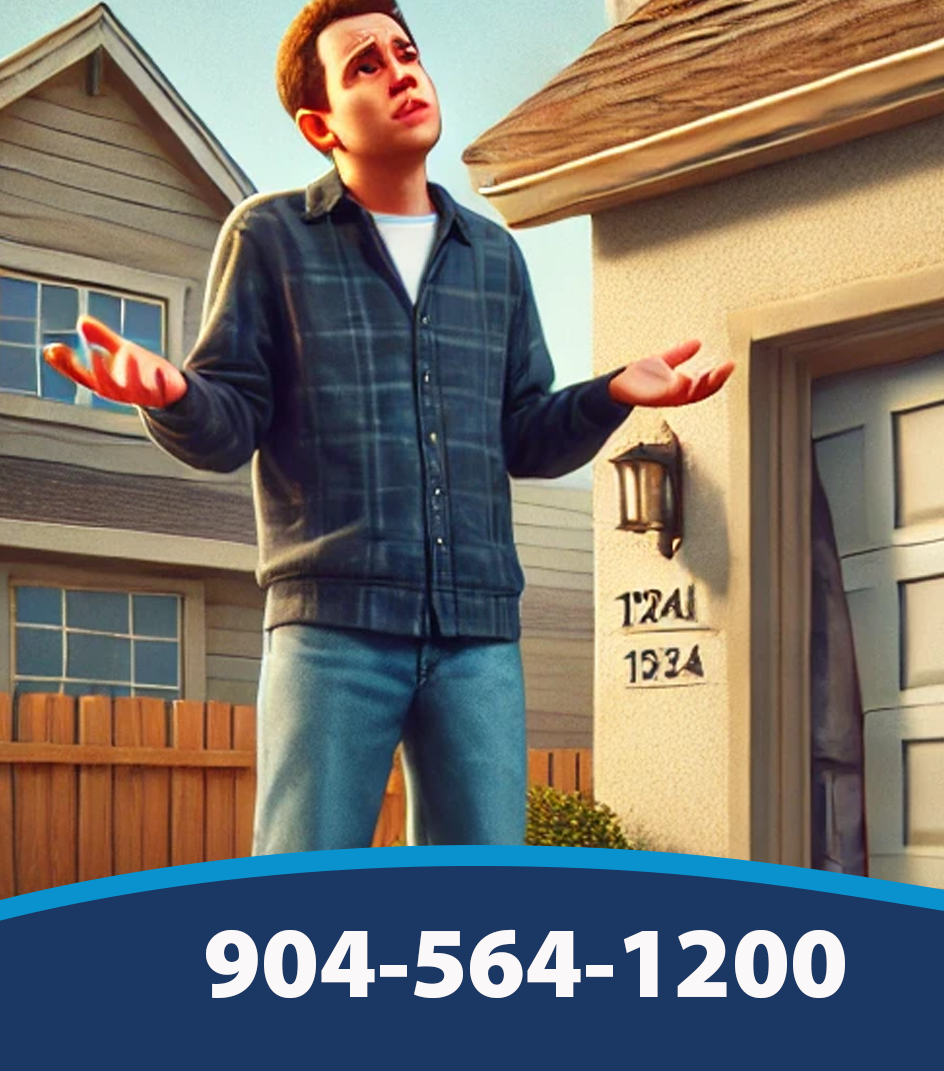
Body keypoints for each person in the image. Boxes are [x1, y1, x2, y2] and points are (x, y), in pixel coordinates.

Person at [41, 0, 731, 852]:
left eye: (406, 52)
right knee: (303, 903)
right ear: (318, 122)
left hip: (478, 640)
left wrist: (613, 393)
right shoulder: (271, 238)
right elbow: (229, 425)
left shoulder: (494, 258)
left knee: (483, 914)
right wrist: (170, 392)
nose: (400, 70)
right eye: (365, 64)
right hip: (333, 630)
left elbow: (523, 436)